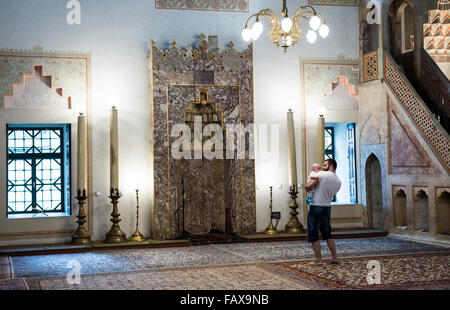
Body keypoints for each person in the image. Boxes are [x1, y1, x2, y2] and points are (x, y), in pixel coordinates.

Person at [305, 158, 341, 264]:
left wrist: (308, 188)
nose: (322, 167)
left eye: (325, 165)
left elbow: (308, 186)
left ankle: (319, 260)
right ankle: (335, 257)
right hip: (327, 207)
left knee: (313, 233)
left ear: (331, 166)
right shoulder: (338, 181)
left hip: (316, 206)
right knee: (327, 233)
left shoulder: (321, 174)